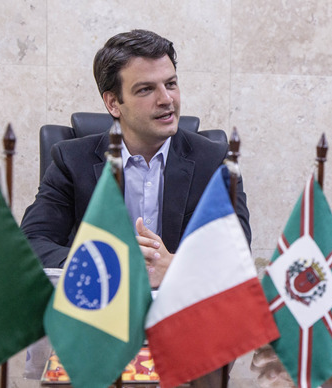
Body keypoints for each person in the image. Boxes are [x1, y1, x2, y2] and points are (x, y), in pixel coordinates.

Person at [21, 29, 251, 287]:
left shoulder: (216, 160)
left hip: (180, 310)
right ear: (113, 103)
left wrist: (177, 266)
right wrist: (109, 263)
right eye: (145, 90)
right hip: (102, 309)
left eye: (171, 84)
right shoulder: (72, 161)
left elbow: (238, 250)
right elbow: (30, 244)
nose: (166, 99)